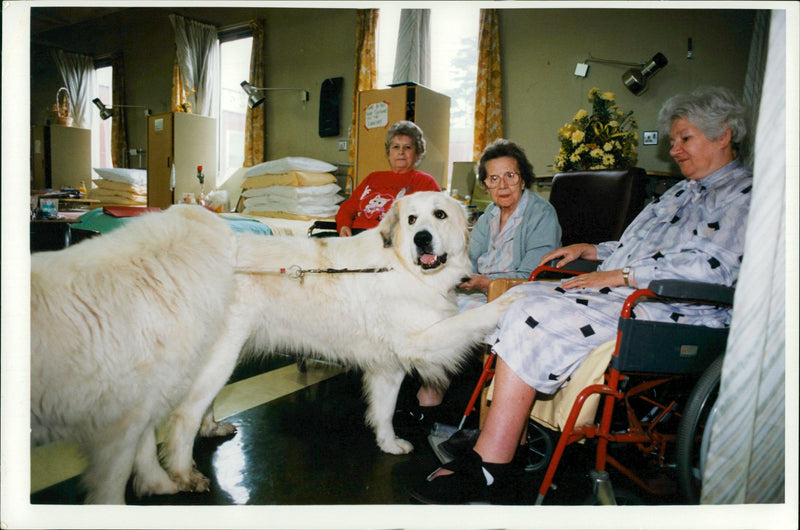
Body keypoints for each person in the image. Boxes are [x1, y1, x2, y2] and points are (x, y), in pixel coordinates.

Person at [409, 86, 753, 504]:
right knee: (520, 298)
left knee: (534, 310)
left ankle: (492, 465)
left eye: (685, 138)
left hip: (676, 307)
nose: (675, 150)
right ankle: (500, 438)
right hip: (632, 288)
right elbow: (637, 249)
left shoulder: (744, 196)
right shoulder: (679, 193)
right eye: (673, 140)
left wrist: (623, 274)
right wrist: (594, 252)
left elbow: (716, 268)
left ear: (724, 135)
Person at [415, 139, 562, 409]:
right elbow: (468, 257)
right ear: (485, 184)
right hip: (481, 289)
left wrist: (486, 283)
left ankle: (435, 392)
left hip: (514, 295)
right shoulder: (490, 214)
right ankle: (430, 386)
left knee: (448, 320)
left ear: (523, 179)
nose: (503, 185)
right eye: (494, 178)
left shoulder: (541, 214)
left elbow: (533, 276)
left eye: (510, 176)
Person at [335, 120, 440, 237]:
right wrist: (344, 226)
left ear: (417, 153)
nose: (401, 152)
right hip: (356, 236)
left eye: (407, 147)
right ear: (389, 153)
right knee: (315, 243)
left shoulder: (425, 182)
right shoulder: (373, 177)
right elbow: (347, 208)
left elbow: (436, 218)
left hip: (390, 239)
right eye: (395, 147)